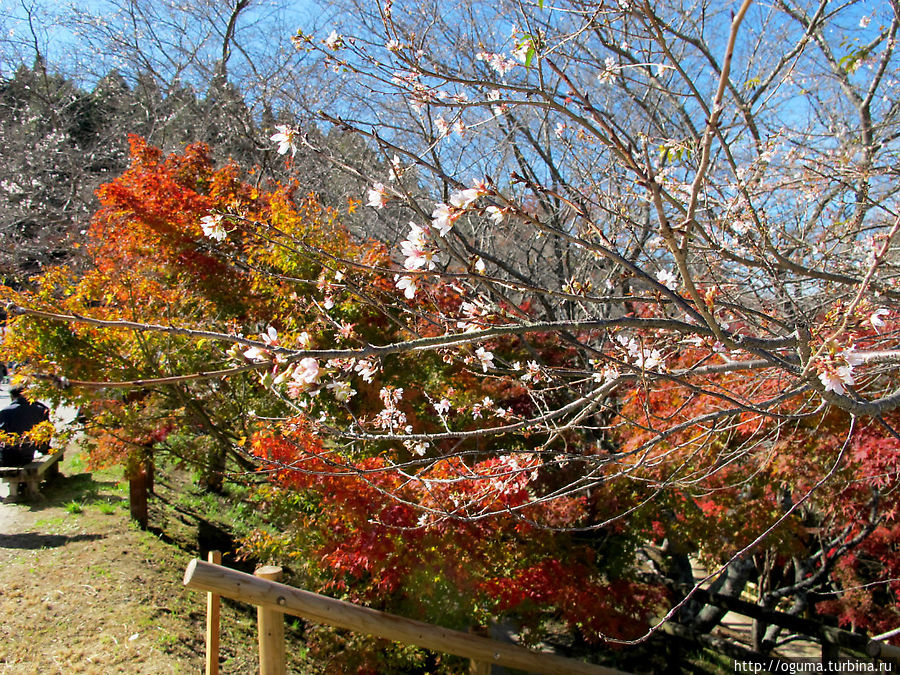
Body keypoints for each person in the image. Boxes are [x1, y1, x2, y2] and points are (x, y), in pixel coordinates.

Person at [0, 386, 51, 466]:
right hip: (28, 454)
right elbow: (46, 435)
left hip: (7, 456)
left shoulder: (5, 411)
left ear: (12, 396)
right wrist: (44, 449)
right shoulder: (40, 409)